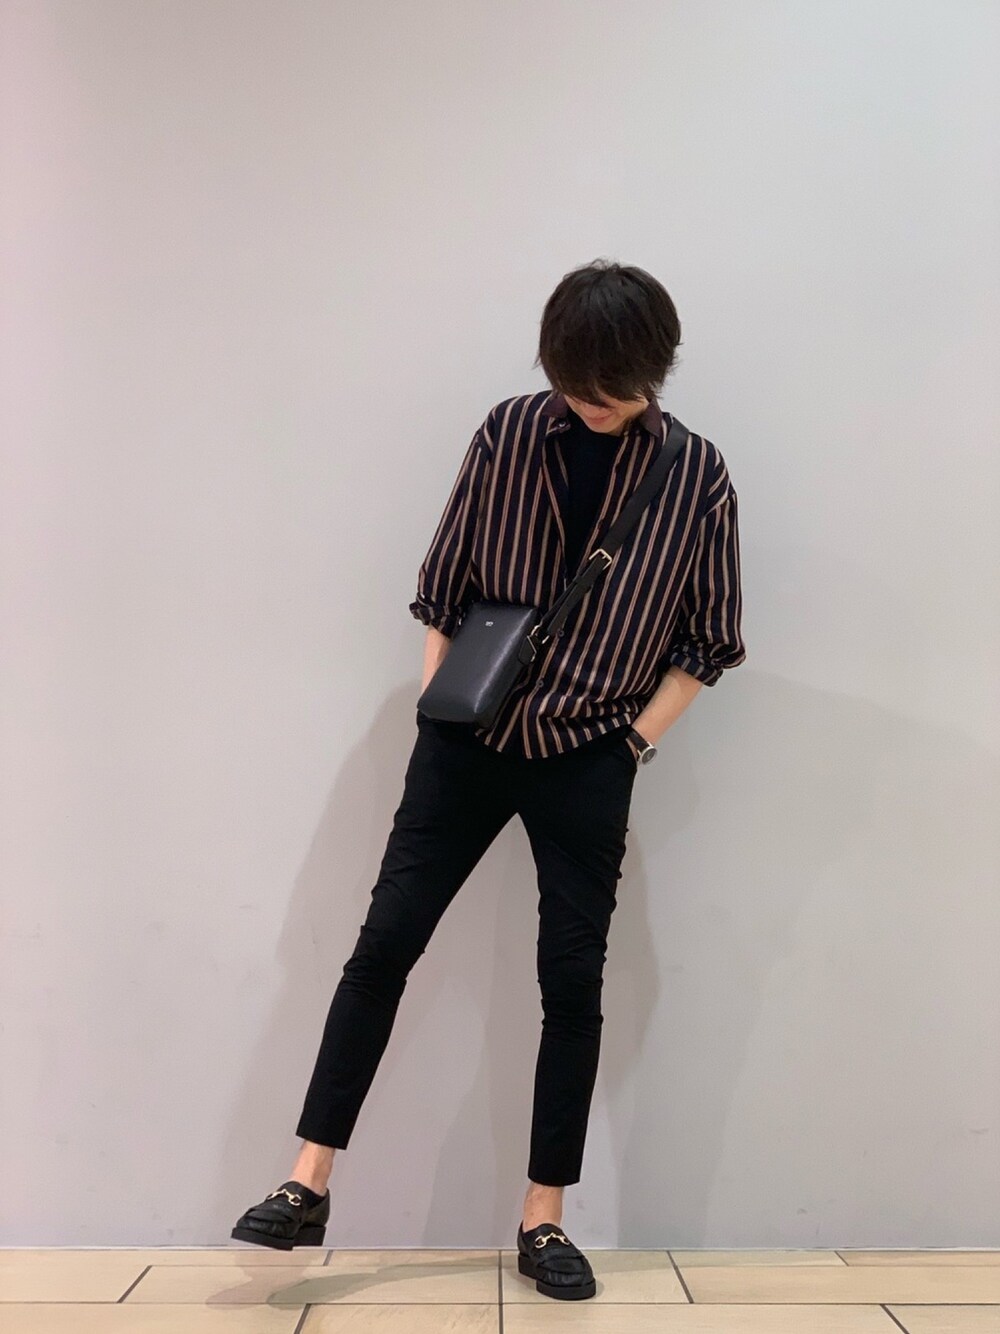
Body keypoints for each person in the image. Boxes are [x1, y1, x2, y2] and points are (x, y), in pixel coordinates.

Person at [231, 259, 746, 1300]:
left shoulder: (696, 476)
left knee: (571, 981)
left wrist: (631, 746)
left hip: (590, 754)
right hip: (466, 744)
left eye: (611, 389)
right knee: (383, 945)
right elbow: (443, 588)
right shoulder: (507, 432)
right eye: (573, 383)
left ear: (654, 370)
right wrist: (443, 710)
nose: (590, 403)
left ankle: (542, 1218)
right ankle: (306, 1179)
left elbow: (711, 639)